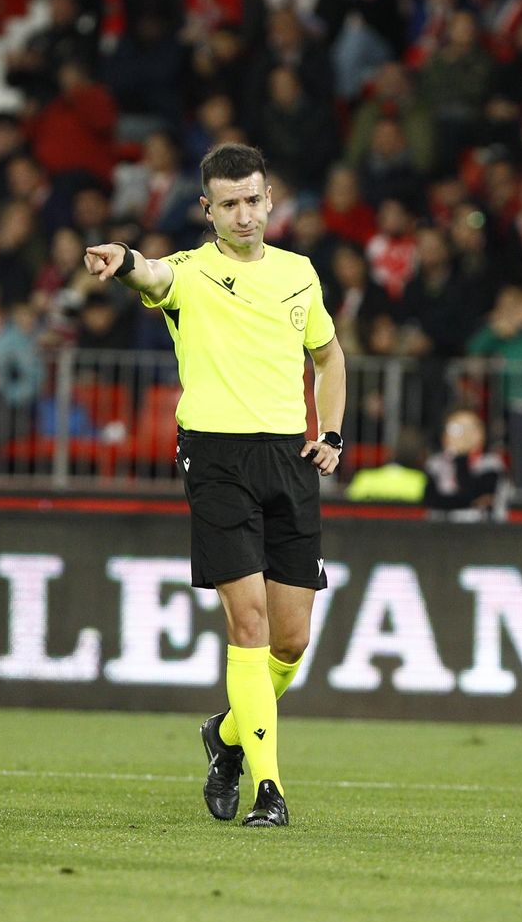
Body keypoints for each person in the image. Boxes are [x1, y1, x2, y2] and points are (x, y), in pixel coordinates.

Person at [85, 143, 346, 829]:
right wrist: (123, 260)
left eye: (253, 199)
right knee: (249, 622)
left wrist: (335, 432)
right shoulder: (193, 272)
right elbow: (152, 274)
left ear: (270, 200)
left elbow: (328, 355)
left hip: (290, 459)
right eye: (228, 203)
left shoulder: (299, 274)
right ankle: (269, 791)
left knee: (291, 642)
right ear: (208, 210)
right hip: (216, 458)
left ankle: (227, 737)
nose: (244, 214)